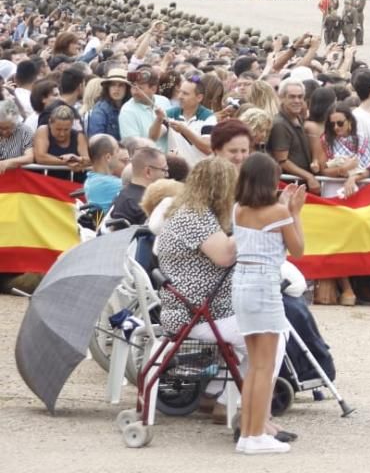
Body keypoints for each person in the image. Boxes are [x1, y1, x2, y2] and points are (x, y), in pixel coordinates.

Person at [155, 157, 290, 443]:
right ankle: (249, 415)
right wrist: (253, 225)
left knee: (265, 341)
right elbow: (225, 255)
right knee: (275, 338)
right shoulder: (195, 216)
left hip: (199, 310)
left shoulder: (191, 212)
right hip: (197, 315)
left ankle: (230, 400)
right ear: (221, 187)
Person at [231, 152, 306, 455]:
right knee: (264, 366)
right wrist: (295, 212)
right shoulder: (276, 212)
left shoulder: (238, 209)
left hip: (242, 281)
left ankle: (250, 433)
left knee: (254, 366)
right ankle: (255, 434)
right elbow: (298, 249)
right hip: (263, 283)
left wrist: (285, 207)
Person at [268, 81, 318, 190]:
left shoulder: (298, 118)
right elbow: (282, 161)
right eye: (292, 97)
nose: (297, 101)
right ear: (281, 98)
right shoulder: (280, 124)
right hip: (289, 186)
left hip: (300, 184)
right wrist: (309, 177)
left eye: (300, 97)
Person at [317, 102, 370, 198]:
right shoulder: (325, 141)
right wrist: (342, 169)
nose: (336, 127)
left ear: (349, 121)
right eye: (332, 124)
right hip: (333, 189)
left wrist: (353, 178)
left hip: (358, 187)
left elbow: (368, 169)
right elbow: (324, 171)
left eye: (340, 123)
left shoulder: (362, 139)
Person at [107, 147, 168, 228]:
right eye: (164, 170)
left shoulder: (122, 195)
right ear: (148, 172)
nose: (167, 175)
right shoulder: (147, 205)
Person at [164, 78, 216, 167]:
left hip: (199, 172)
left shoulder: (209, 117)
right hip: (175, 171)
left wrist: (184, 130)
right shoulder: (170, 113)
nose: (180, 96)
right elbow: (153, 136)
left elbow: (208, 148)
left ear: (199, 97)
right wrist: (158, 120)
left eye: (185, 94)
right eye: (180, 92)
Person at [118, 68, 169, 152]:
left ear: (153, 89)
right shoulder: (127, 111)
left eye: (140, 88)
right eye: (133, 87)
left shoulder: (164, 101)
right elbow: (133, 147)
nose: (134, 92)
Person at [33, 103, 89, 174]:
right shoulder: (43, 130)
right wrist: (68, 161)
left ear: (72, 124)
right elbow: (40, 157)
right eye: (58, 129)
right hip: (46, 181)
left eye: (66, 129)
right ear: (50, 123)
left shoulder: (78, 136)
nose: (62, 134)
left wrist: (79, 159)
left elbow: (89, 159)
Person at [83, 134, 127, 215]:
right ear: (108, 157)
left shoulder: (92, 178)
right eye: (117, 151)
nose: (119, 155)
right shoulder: (111, 184)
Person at [87, 68, 129, 139]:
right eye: (113, 85)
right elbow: (97, 139)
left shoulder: (130, 107)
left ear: (127, 88)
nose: (116, 89)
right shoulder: (100, 110)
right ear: (107, 87)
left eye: (121, 85)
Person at [0, 99, 35, 172]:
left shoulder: (24, 131)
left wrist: (7, 162)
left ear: (16, 122)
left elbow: (30, 157)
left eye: (8, 128)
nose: (4, 132)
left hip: (16, 179)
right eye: (1, 128)